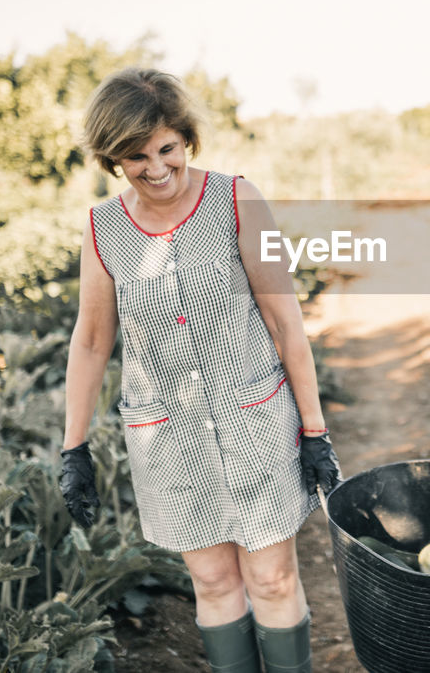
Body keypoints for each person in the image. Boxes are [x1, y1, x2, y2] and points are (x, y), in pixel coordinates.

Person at [57, 67, 340, 673]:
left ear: (186, 140)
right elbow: (90, 342)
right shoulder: (103, 230)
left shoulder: (237, 199)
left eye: (167, 149)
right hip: (168, 440)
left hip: (254, 424)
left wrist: (315, 431)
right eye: (136, 156)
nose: (156, 168)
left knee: (270, 579)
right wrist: (72, 448)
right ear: (113, 159)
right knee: (212, 585)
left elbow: (284, 320)